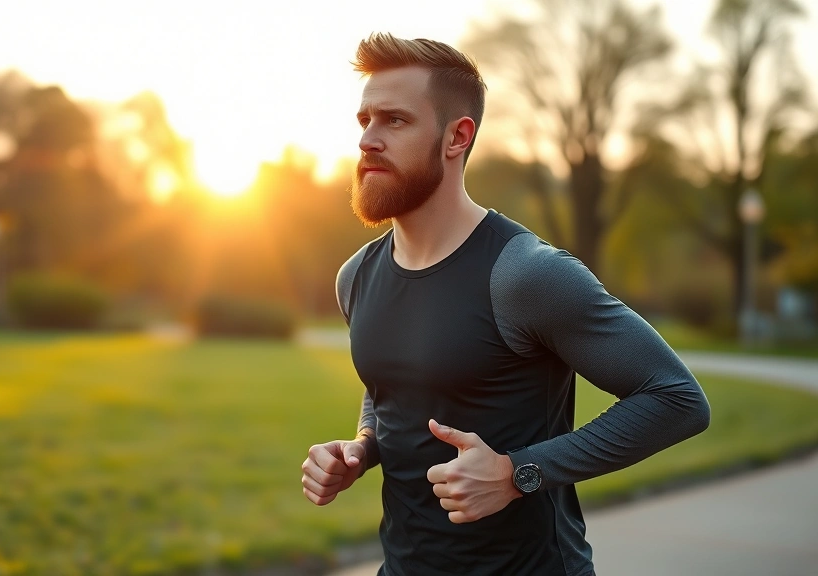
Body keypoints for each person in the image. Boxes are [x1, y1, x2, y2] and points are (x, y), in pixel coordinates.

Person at [300, 33, 711, 576]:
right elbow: (390, 393)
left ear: (457, 137)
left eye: (394, 121)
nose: (368, 141)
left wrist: (520, 472)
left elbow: (677, 398)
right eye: (364, 121)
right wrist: (361, 449)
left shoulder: (525, 275)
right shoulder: (356, 276)